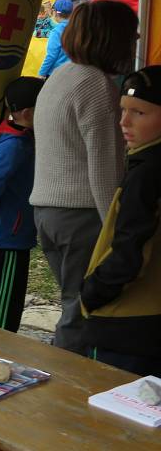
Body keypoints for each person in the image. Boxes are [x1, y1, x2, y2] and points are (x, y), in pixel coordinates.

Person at [30, 0, 138, 355]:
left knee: (71, 303)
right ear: (113, 39)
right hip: (81, 215)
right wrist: (117, 233)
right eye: (130, 35)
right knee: (80, 310)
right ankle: (64, 390)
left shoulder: (61, 76)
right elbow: (106, 169)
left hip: (47, 211)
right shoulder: (96, 85)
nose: (135, 41)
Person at [81, 66, 161, 377]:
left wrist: (91, 293)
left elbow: (129, 254)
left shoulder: (146, 175)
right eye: (123, 111)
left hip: (126, 323)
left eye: (139, 112)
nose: (124, 122)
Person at [0, 77, 44, 333]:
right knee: (3, 312)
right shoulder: (14, 146)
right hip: (8, 236)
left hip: (15, 233)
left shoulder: (24, 137)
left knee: (9, 302)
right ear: (26, 113)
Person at [38, 0, 73, 78]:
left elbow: (51, 56)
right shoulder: (78, 28)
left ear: (55, 12)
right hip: (72, 72)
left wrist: (41, 73)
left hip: (55, 74)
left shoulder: (57, 32)